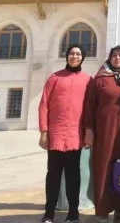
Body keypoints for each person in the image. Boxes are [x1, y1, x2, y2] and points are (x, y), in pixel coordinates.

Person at [84, 45, 120, 223]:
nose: (118, 58)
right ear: (109, 58)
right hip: (105, 133)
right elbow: (89, 107)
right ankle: (102, 210)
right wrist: (89, 129)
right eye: (115, 55)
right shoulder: (100, 78)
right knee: (104, 169)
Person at [38, 44, 92, 223]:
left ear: (82, 57)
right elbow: (44, 105)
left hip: (75, 137)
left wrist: (88, 132)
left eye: (78, 54)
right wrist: (44, 131)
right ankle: (49, 214)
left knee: (73, 177)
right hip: (55, 136)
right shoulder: (54, 78)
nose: (74, 57)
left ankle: (73, 213)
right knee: (52, 176)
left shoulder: (87, 80)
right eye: (71, 53)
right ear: (66, 56)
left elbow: (90, 110)